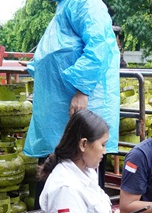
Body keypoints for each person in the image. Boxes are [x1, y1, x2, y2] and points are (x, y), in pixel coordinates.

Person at [24, 0, 120, 188]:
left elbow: (99, 47)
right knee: (52, 191)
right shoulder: (65, 6)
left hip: (78, 113)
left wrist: (82, 89)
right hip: (58, 121)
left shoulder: (86, 4)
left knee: (79, 190)